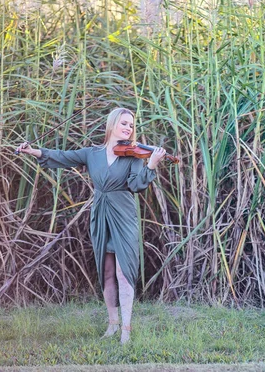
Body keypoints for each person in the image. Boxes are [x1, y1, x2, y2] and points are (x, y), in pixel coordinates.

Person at [15, 107, 166, 344]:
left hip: (123, 214)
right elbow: (61, 157)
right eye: (124, 123)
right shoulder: (92, 154)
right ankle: (112, 324)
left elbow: (137, 186)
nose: (129, 128)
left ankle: (126, 330)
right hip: (101, 213)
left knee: (123, 272)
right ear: (112, 124)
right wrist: (32, 150)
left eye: (132, 125)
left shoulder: (135, 155)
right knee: (106, 271)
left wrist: (151, 165)